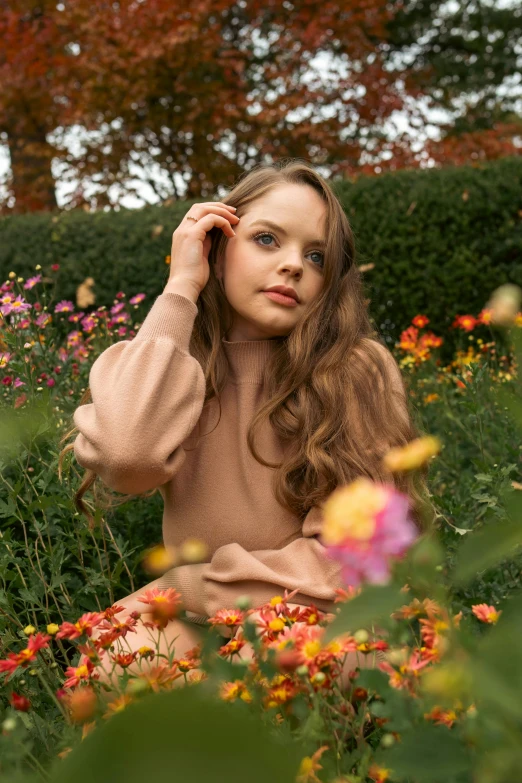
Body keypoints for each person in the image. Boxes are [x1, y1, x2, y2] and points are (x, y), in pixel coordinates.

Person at [60, 158, 433, 691]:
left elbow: (355, 558)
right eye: (266, 239)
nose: (292, 266)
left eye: (316, 256)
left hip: (330, 627)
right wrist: (181, 287)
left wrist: (194, 586)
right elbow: (126, 457)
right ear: (217, 245)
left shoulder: (353, 370)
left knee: (237, 677)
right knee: (112, 659)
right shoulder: (180, 368)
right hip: (213, 630)